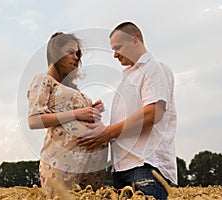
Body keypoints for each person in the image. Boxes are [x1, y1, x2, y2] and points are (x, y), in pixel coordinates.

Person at [77, 22, 177, 199]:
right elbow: (129, 118)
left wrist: (107, 133)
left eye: (117, 47)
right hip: (123, 168)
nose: (114, 55)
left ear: (135, 40)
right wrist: (98, 117)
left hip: (145, 165)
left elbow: (153, 113)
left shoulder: (155, 68)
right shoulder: (131, 75)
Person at [27, 32, 108, 192]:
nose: (76, 57)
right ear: (55, 54)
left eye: (78, 53)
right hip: (62, 166)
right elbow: (34, 120)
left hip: (89, 169)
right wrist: (77, 114)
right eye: (70, 52)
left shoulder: (70, 88)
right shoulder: (43, 80)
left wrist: (92, 111)